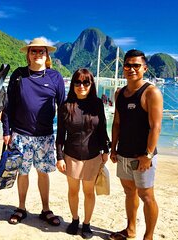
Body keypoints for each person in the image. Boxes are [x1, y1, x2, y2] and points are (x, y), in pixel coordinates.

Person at [1, 38, 65, 226]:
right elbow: (8, 105)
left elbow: (63, 109)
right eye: (33, 51)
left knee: (43, 173)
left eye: (41, 51)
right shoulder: (19, 75)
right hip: (20, 134)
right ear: (28, 55)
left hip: (45, 136)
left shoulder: (55, 77)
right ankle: (21, 207)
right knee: (23, 172)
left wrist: (63, 138)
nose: (37, 54)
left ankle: (46, 209)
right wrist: (6, 131)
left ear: (47, 55)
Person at [109, 49, 163, 240]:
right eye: (127, 65)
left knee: (147, 196)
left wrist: (148, 155)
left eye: (136, 65)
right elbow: (117, 123)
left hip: (143, 156)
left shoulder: (151, 92)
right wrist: (113, 148)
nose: (131, 69)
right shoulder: (119, 93)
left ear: (144, 68)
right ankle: (131, 230)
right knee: (129, 192)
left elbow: (156, 127)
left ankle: (148, 237)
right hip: (123, 153)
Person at [56, 68, 110, 239]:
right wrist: (59, 157)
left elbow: (102, 129)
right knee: (73, 191)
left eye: (86, 82)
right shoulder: (65, 106)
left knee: (88, 192)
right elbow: (60, 135)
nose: (81, 86)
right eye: (77, 82)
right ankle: (74, 220)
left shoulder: (97, 104)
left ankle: (86, 223)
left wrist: (106, 150)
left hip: (92, 155)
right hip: (71, 155)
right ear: (72, 85)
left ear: (91, 84)